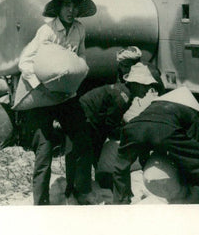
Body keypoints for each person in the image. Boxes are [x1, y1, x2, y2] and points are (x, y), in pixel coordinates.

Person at [16, 0, 96, 205]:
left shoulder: (79, 29)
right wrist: (38, 85)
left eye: (75, 6)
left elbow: (82, 58)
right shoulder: (47, 31)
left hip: (66, 96)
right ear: (59, 8)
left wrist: (75, 77)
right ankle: (41, 203)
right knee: (45, 148)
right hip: (43, 97)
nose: (71, 10)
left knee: (80, 138)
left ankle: (76, 190)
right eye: (67, 5)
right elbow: (24, 61)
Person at [64, 62, 159, 199]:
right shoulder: (123, 97)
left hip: (86, 118)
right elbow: (110, 125)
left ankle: (75, 188)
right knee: (84, 155)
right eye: (145, 86)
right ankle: (81, 193)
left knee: (82, 154)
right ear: (136, 84)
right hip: (84, 119)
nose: (147, 91)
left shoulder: (123, 91)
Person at [112, 85, 199, 204]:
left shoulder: (154, 106)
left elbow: (146, 135)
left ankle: (120, 202)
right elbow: (191, 147)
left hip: (133, 128)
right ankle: (196, 202)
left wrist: (146, 162)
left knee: (120, 168)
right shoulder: (190, 112)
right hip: (163, 131)